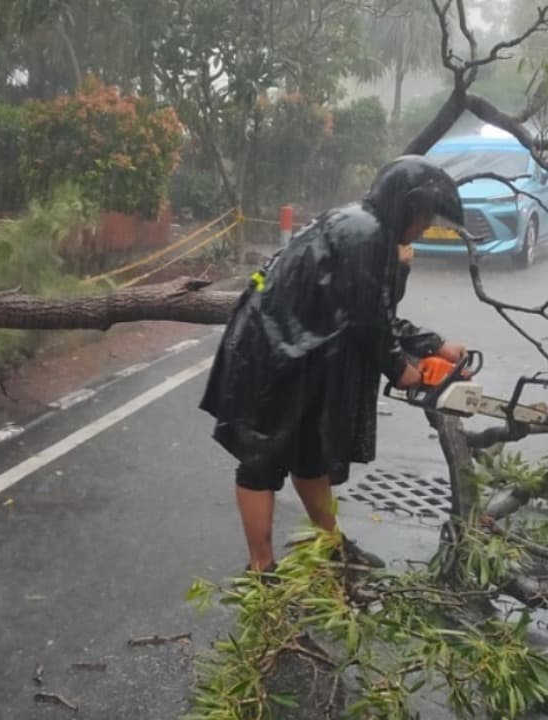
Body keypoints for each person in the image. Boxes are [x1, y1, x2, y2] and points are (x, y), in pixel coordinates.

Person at [199, 155, 467, 575]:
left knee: (311, 454)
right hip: (268, 350)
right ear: (406, 205)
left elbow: (378, 309)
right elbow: (370, 320)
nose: (425, 226)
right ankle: (261, 569)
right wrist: (402, 369)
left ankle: (329, 545)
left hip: (300, 352)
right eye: (426, 216)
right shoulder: (364, 232)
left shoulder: (370, 231)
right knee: (261, 459)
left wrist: (434, 344)